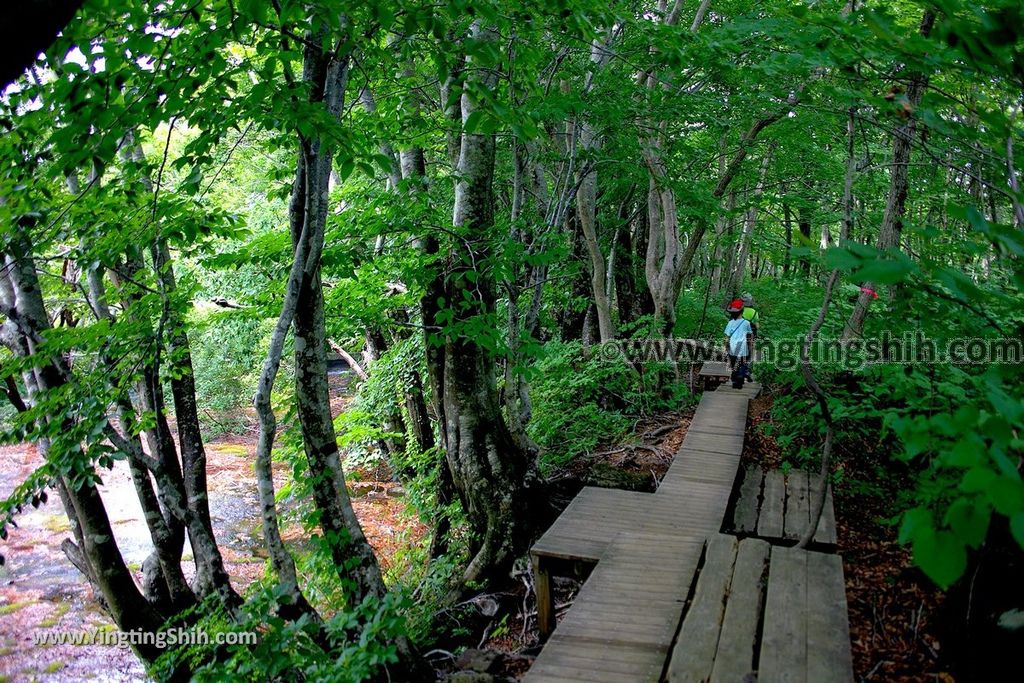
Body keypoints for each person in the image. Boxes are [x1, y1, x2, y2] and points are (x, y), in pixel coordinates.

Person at [724, 298, 753, 388]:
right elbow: (750, 335)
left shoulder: (730, 323)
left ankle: (735, 381)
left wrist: (725, 347)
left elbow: (726, 337)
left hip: (733, 347)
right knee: (742, 363)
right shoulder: (746, 323)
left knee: (734, 364)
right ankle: (740, 376)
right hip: (743, 347)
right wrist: (750, 345)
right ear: (742, 311)